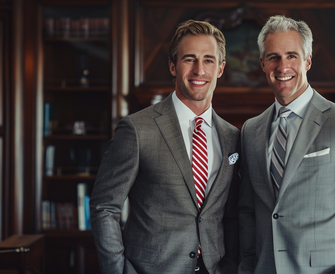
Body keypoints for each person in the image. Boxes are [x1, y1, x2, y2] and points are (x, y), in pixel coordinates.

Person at [238, 15, 335, 274]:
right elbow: (247, 213)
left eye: (292, 56)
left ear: (308, 61)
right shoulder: (250, 130)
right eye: (273, 57)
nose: (282, 66)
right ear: (262, 63)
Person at [90, 19, 240, 274]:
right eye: (189, 59)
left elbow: (233, 214)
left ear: (221, 68)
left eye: (208, 60)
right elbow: (104, 206)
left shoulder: (232, 136)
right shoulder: (137, 130)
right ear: (173, 66)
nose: (199, 70)